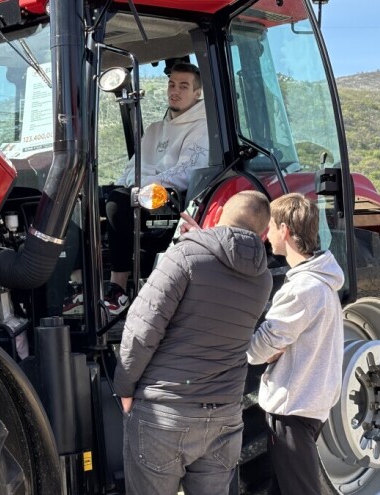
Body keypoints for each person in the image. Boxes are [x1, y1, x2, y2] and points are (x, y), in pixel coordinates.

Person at [113, 191, 273, 495]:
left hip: (166, 415)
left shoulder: (185, 257)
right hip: (224, 419)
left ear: (221, 212)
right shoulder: (263, 279)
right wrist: (200, 241)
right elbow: (220, 282)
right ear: (264, 232)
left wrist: (124, 388)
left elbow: (141, 330)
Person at [246, 192, 344, 495]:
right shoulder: (323, 282)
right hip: (310, 405)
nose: (267, 234)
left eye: (270, 226)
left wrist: (260, 346)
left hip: (292, 407)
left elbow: (258, 349)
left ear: (285, 230)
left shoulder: (301, 289)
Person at [102, 62, 210, 315]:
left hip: (172, 199)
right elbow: (131, 168)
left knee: (118, 203)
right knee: (95, 198)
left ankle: (117, 287)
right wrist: (132, 183)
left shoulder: (202, 127)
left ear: (197, 93)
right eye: (172, 84)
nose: (175, 91)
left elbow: (185, 173)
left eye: (184, 86)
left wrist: (145, 181)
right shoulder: (154, 129)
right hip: (144, 192)